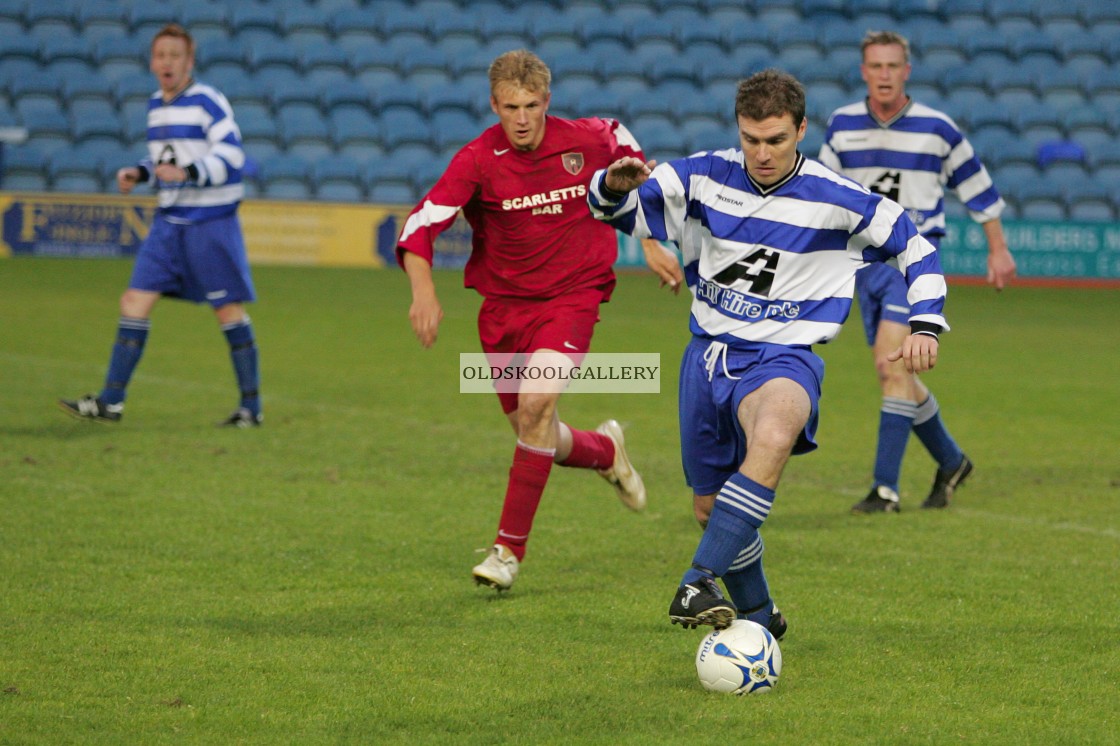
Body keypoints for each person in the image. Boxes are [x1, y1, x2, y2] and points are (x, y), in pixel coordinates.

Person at [588, 69, 948, 634]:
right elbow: (618, 214)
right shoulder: (702, 176)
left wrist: (925, 324)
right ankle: (761, 619)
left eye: (776, 140)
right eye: (751, 139)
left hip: (785, 358)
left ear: (801, 130)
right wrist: (611, 186)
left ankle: (698, 579)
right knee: (709, 511)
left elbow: (916, 246)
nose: (762, 153)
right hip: (707, 362)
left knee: (776, 433)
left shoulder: (837, 199)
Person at [398, 49, 678, 592]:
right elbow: (422, 222)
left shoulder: (587, 139)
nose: (521, 118)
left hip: (572, 296)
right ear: (494, 105)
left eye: (531, 105)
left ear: (547, 101)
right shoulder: (478, 159)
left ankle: (507, 551)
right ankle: (605, 451)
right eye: (510, 107)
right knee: (535, 430)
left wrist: (648, 236)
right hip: (503, 312)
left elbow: (629, 156)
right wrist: (423, 289)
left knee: (537, 406)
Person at [818, 30, 1017, 513]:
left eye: (893, 66)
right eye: (875, 66)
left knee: (894, 367)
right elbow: (820, 193)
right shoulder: (842, 126)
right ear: (863, 72)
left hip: (913, 263)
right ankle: (951, 460)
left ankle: (885, 489)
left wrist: (998, 249)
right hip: (862, 267)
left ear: (907, 71)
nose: (884, 74)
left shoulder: (937, 129)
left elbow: (978, 188)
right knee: (895, 373)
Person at [59, 24, 260, 428]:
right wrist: (139, 171)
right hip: (168, 223)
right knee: (133, 301)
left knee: (227, 311)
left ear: (189, 62)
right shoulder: (155, 106)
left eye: (175, 55)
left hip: (209, 221)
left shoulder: (207, 101)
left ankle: (250, 409)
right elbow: (166, 161)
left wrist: (187, 171)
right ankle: (111, 403)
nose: (166, 62)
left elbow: (233, 157)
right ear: (152, 63)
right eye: (160, 55)